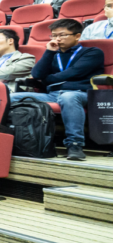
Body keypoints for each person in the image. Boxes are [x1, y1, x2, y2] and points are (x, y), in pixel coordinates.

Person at [11, 19, 105, 161]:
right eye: (54, 35)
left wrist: (48, 79)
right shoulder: (53, 54)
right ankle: (14, 139)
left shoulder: (92, 52)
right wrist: (49, 52)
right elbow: (37, 74)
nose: (57, 39)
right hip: (53, 94)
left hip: (82, 94)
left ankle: (75, 145)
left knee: (68, 97)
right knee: (11, 97)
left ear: (77, 36)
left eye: (62, 35)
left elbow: (75, 72)